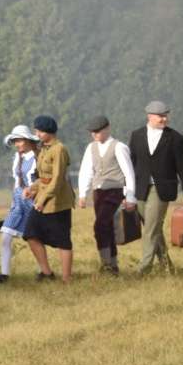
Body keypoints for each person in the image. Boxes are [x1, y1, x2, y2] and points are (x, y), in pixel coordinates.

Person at [127, 101, 183, 275]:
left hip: (162, 188)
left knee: (151, 227)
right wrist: (127, 190)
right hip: (140, 188)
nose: (164, 119)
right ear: (149, 116)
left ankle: (144, 268)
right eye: (161, 116)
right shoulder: (136, 135)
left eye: (166, 115)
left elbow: (182, 166)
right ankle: (167, 266)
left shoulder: (175, 137)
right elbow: (131, 164)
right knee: (153, 227)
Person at [75, 116, 137, 274]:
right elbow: (86, 170)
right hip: (99, 192)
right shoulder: (91, 148)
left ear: (107, 129)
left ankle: (106, 263)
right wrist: (83, 193)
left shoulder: (119, 147)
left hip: (115, 192)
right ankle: (112, 264)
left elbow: (129, 173)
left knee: (100, 225)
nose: (94, 135)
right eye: (92, 133)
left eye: (97, 132)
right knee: (107, 227)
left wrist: (130, 197)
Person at [23, 115, 76, 282]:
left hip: (58, 201)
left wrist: (42, 200)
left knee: (63, 240)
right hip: (42, 199)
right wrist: (32, 189)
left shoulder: (59, 149)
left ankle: (67, 279)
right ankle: (47, 273)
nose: (36, 134)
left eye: (39, 131)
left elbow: (58, 179)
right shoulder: (44, 149)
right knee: (30, 233)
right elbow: (43, 177)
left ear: (48, 132)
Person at [0, 125, 41, 284]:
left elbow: (42, 181)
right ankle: (4, 274)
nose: (17, 144)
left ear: (28, 140)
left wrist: (37, 198)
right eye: (15, 141)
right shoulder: (18, 158)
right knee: (5, 236)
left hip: (33, 200)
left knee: (34, 239)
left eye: (19, 140)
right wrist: (13, 202)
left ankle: (42, 271)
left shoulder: (38, 157)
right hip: (18, 201)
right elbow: (16, 181)